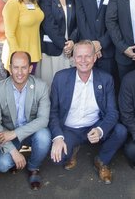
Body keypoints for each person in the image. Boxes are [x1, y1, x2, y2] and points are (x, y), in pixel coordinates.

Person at [48, 41, 129, 184]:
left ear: (95, 58)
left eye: (88, 56)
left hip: (93, 126)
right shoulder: (60, 78)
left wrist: (100, 130)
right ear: (73, 58)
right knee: (58, 159)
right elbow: (53, 112)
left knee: (120, 131)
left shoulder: (105, 79)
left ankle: (102, 160)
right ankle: (73, 148)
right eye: (79, 56)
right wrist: (58, 137)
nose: (83, 61)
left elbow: (112, 112)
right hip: (69, 129)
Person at [0, 51, 52, 190]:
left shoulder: (41, 86)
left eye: (24, 67)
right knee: (2, 165)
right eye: (16, 67)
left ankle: (33, 167)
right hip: (7, 135)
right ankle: (15, 160)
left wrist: (16, 133)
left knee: (44, 136)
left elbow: (43, 120)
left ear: (30, 68)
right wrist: (13, 151)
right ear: (9, 67)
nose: (19, 72)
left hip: (30, 132)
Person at [72, 0, 117, 77]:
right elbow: (81, 18)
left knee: (107, 85)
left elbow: (116, 21)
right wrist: (91, 44)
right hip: (86, 51)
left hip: (107, 50)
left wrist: (101, 43)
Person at [2, 0, 45, 76]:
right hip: (19, 56)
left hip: (33, 53)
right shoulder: (13, 3)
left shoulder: (33, 2)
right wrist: (18, 57)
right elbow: (9, 34)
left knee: (28, 89)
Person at [39, 0, 78, 82]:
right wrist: (65, 45)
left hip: (69, 47)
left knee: (67, 82)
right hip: (53, 48)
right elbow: (49, 25)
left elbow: (78, 23)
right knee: (51, 82)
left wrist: (72, 41)